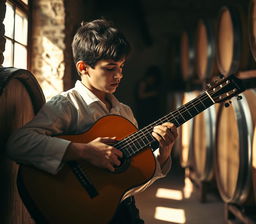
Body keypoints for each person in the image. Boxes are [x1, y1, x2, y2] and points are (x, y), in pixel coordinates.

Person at [6, 19, 178, 224]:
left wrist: (163, 155)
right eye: (110, 68)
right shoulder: (67, 105)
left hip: (125, 214)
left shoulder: (125, 113)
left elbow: (128, 184)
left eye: (121, 67)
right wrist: (85, 151)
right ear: (83, 67)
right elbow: (17, 144)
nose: (119, 75)